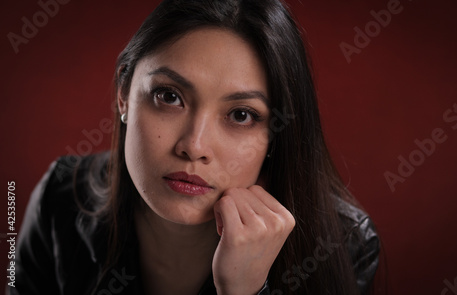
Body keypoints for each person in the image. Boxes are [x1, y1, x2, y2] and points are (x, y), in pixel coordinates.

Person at [9, 0, 380, 294]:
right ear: (124, 95)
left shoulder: (342, 246)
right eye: (168, 96)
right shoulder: (58, 197)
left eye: (240, 115)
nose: (194, 146)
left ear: (277, 134)